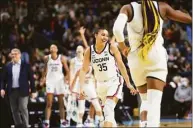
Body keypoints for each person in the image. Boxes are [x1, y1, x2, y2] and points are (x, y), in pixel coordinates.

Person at [113, 0, 192, 127]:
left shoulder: (127, 8)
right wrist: (184, 12)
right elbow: (188, 19)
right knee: (154, 103)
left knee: (145, 99)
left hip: (136, 60)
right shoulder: (162, 7)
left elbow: (117, 30)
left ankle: (144, 124)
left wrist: (123, 48)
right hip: (155, 57)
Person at [79, 28, 137, 127]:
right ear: (95, 35)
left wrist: (128, 83)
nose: (105, 37)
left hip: (114, 81)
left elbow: (121, 66)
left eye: (106, 35)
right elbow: (83, 70)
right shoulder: (89, 50)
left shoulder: (112, 47)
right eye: (102, 34)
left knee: (108, 109)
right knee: (108, 114)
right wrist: (81, 88)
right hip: (100, 85)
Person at [0, 48, 36, 128]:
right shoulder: (8, 66)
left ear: (20, 55)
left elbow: (31, 78)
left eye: (15, 54)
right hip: (11, 90)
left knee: (23, 107)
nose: (14, 55)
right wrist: (2, 89)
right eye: (12, 54)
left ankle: (26, 125)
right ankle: (19, 125)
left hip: (23, 90)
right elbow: (2, 79)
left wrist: (33, 90)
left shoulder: (26, 65)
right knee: (14, 109)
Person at [41, 44, 70, 128]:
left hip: (60, 82)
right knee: (49, 103)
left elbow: (67, 71)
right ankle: (46, 122)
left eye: (54, 47)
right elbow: (44, 70)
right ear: (50, 50)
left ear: (57, 50)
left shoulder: (62, 58)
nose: (52, 48)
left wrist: (66, 79)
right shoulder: (47, 58)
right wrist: (43, 79)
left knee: (61, 103)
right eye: (51, 47)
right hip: (50, 82)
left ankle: (63, 121)